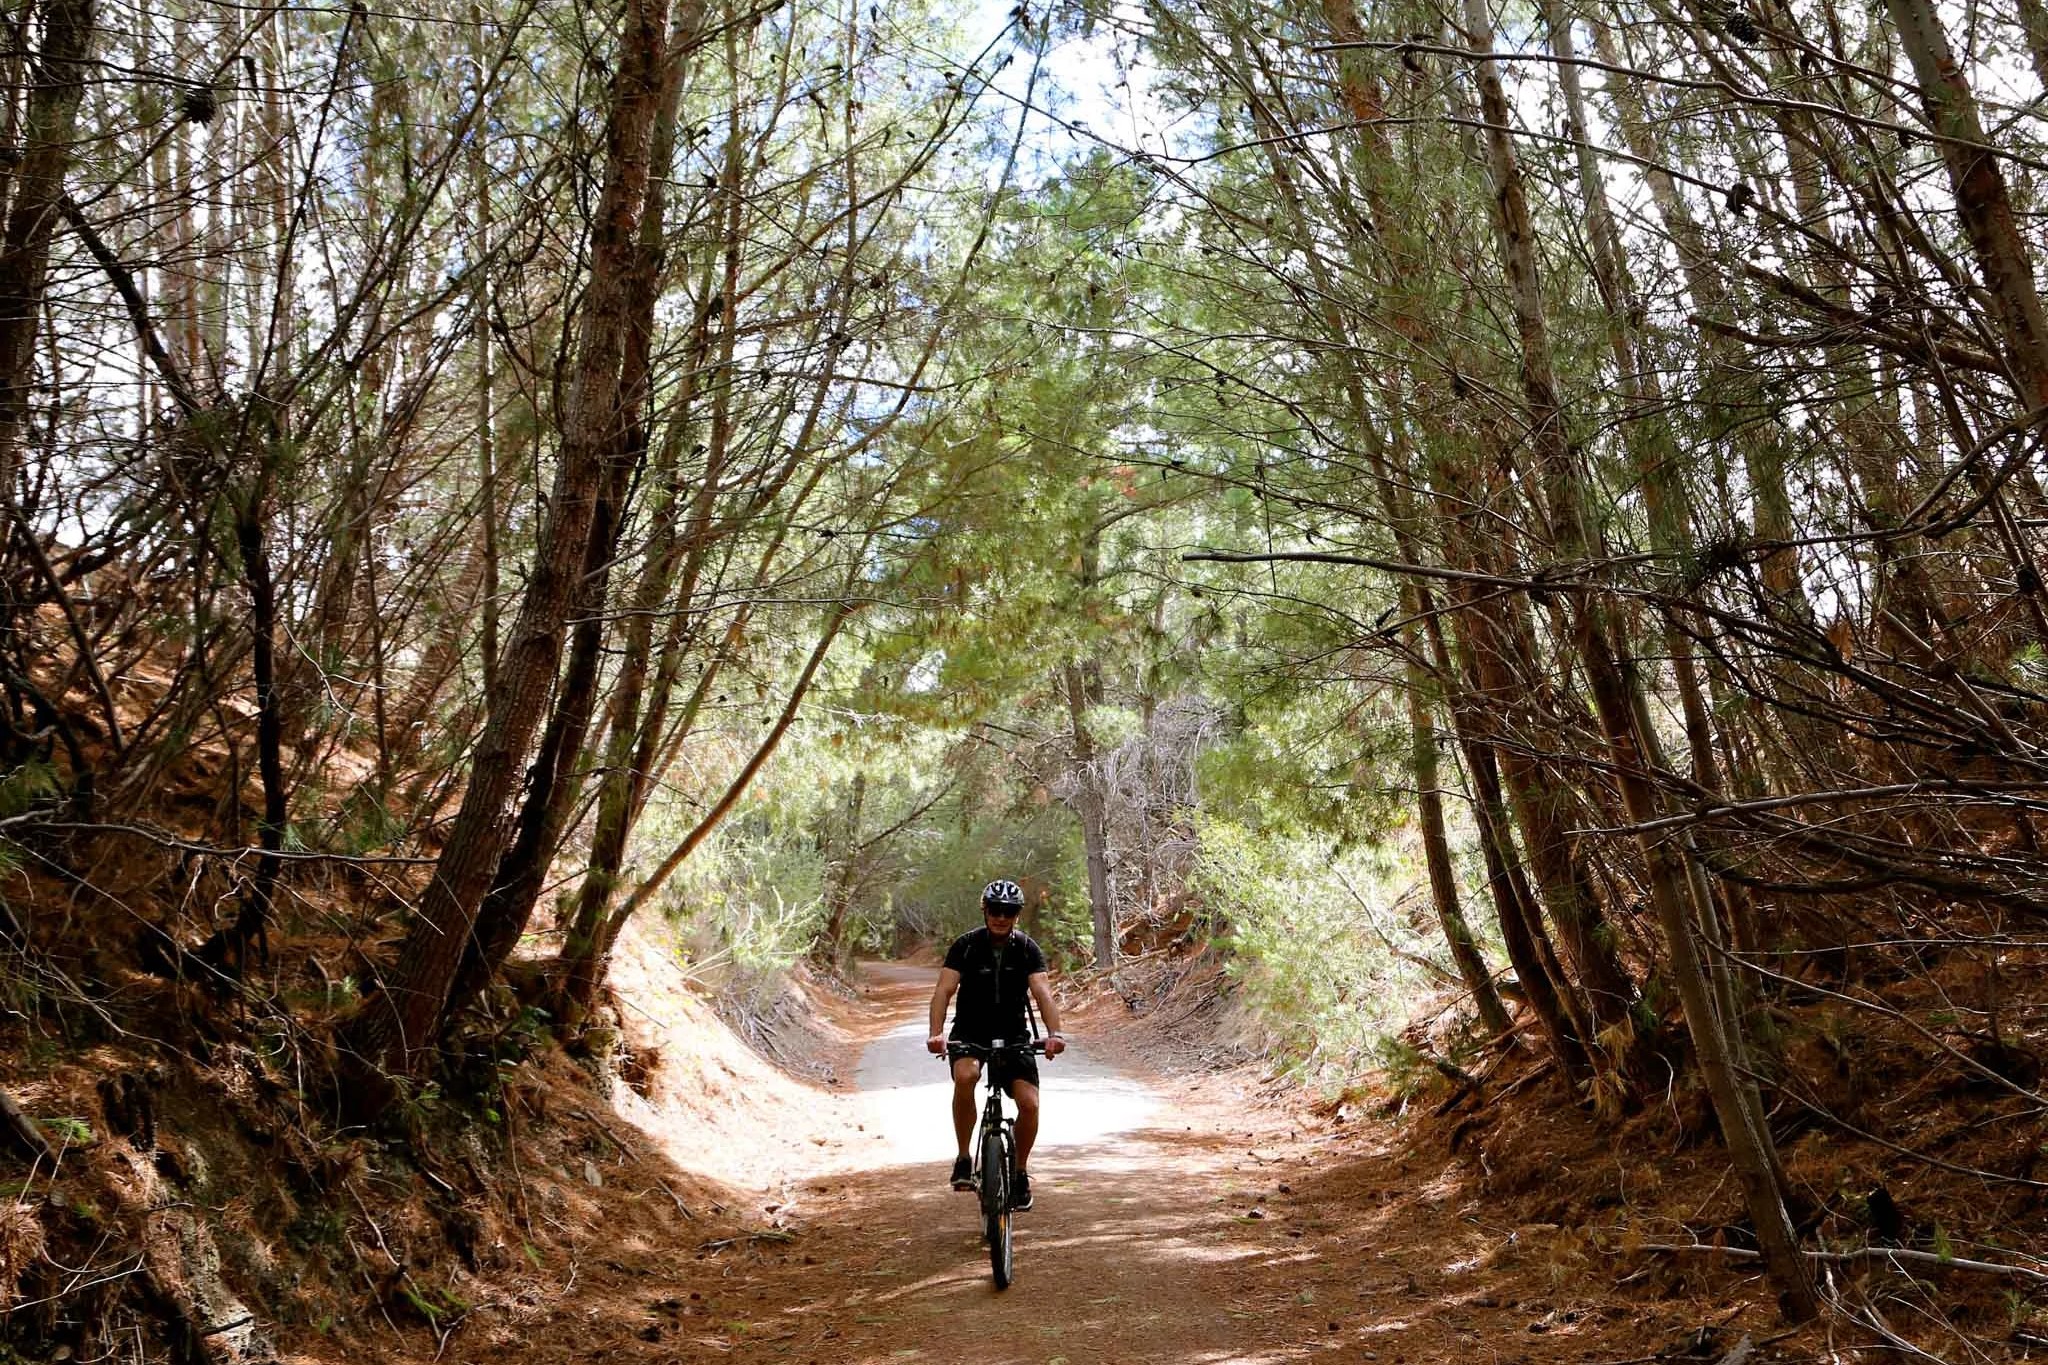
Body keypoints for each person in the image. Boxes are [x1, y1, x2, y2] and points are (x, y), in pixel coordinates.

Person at [926, 878, 1065, 1210]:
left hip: (1015, 1033)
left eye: (1009, 911)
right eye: (995, 910)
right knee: (965, 1077)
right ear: (985, 911)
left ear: (1016, 915)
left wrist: (1055, 1033)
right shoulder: (966, 946)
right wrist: (936, 1032)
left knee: (1029, 1103)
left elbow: (1043, 993)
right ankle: (963, 1157)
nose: (1001, 917)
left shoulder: (1027, 948)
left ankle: (1019, 1173)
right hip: (971, 1032)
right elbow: (943, 991)